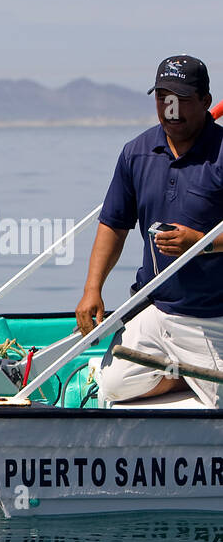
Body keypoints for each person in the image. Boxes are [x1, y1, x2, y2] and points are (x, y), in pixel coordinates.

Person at [76, 55, 223, 406]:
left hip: (213, 317)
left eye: (181, 99)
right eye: (162, 98)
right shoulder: (135, 153)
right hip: (155, 309)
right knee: (112, 387)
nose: (170, 109)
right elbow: (113, 224)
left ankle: (195, 375)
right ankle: (185, 376)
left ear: (206, 102)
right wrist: (92, 289)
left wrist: (202, 244)